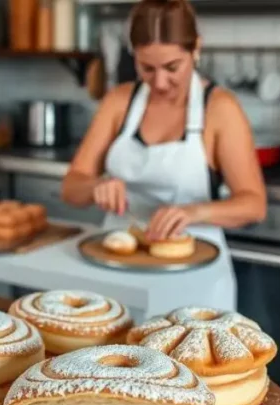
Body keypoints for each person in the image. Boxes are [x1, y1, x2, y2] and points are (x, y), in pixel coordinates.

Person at [60, 0, 267, 311]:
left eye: (172, 67)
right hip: (117, 274)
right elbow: (71, 187)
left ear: (195, 48)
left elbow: (254, 204)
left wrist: (193, 213)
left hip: (194, 287)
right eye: (147, 68)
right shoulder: (119, 102)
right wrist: (94, 187)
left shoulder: (221, 109)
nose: (159, 82)